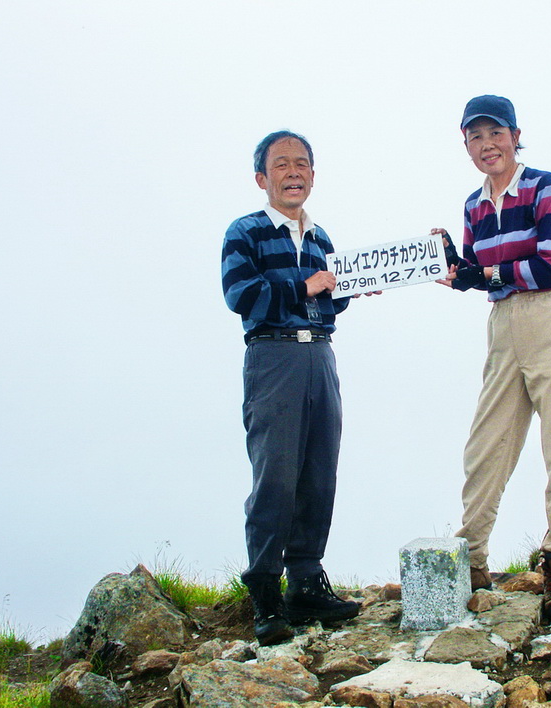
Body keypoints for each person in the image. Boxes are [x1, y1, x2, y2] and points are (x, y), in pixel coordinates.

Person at [434, 95, 551, 621]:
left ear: (515, 135)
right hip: (503, 326)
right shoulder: (473, 206)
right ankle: (472, 560)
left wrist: (488, 276)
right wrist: (451, 264)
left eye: (495, 133)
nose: (487, 145)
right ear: (466, 145)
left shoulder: (543, 185)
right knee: (487, 445)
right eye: (475, 137)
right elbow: (475, 273)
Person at [221, 130, 360, 645]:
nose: (293, 172)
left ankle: (306, 583)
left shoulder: (322, 239)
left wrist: (347, 289)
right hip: (272, 356)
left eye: (302, 163)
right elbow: (240, 295)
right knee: (275, 476)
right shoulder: (246, 231)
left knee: (319, 471)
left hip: (320, 354)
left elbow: (328, 303)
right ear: (262, 178)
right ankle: (265, 594)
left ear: (313, 175)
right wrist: (303, 287)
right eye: (281, 164)